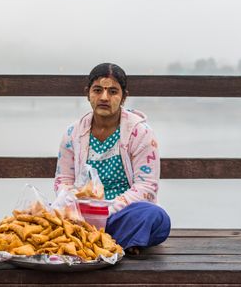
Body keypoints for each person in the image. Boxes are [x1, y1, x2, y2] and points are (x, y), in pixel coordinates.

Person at [54, 63, 171, 254]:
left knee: (156, 217)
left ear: (124, 96)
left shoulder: (140, 133)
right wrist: (77, 204)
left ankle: (87, 243)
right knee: (44, 212)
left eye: (113, 92)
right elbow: (63, 180)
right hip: (81, 214)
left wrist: (106, 210)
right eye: (97, 90)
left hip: (121, 215)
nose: (104, 98)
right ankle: (117, 244)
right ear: (88, 93)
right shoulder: (73, 133)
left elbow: (146, 188)